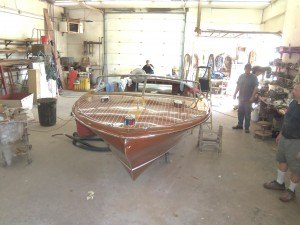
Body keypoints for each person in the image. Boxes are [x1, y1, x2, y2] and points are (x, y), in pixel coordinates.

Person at [263, 83, 300, 202]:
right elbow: (287, 119)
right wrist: (281, 133)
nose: (293, 91)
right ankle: (279, 183)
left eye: (295, 89)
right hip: (285, 137)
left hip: (296, 142)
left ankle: (291, 191)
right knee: (282, 160)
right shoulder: (294, 103)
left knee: (296, 168)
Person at [232, 63, 258, 133]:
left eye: (249, 69)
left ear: (250, 69)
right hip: (241, 98)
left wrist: (252, 97)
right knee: (240, 112)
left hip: (248, 99)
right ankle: (240, 125)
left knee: (247, 113)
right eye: (246, 68)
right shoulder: (241, 76)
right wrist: (234, 94)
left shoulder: (254, 77)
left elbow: (256, 88)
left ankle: (247, 127)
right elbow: (238, 86)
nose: (247, 70)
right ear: (244, 69)